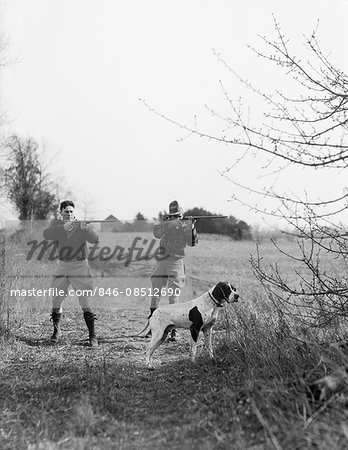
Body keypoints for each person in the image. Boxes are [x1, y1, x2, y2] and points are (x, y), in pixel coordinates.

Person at [43, 200, 99, 347]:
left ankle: (92, 336)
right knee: (57, 298)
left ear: (75, 213)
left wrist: (84, 228)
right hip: (62, 265)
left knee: (85, 301)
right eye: (66, 211)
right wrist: (63, 228)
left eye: (71, 211)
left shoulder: (81, 226)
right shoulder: (57, 226)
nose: (69, 214)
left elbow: (95, 239)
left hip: (80, 265)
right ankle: (56, 331)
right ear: (61, 213)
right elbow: (46, 234)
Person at [147, 200, 198, 341]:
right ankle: (152, 326)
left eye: (178, 216)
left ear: (181, 215)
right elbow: (156, 232)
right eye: (173, 216)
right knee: (155, 292)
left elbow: (192, 242)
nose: (176, 218)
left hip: (175, 262)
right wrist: (171, 225)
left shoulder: (185, 227)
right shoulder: (166, 224)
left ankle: (173, 330)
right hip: (161, 261)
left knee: (173, 295)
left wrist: (192, 226)